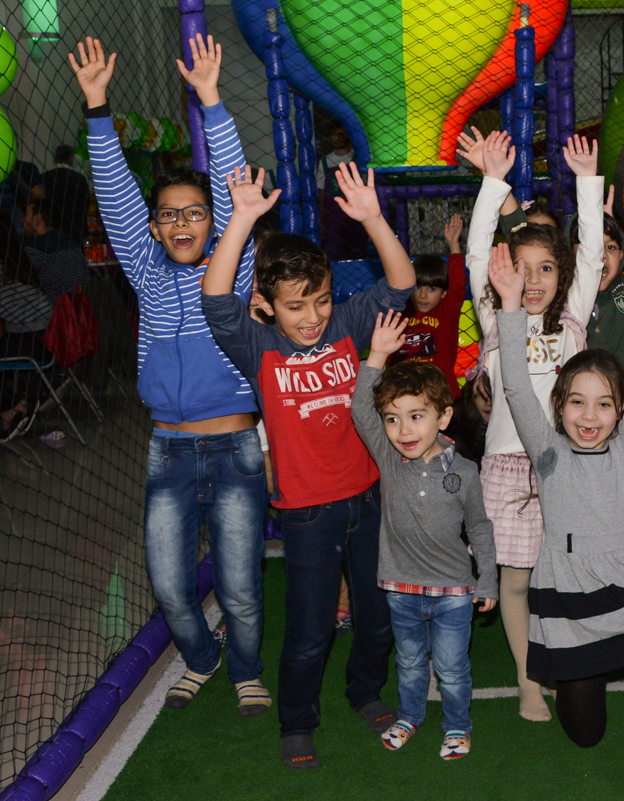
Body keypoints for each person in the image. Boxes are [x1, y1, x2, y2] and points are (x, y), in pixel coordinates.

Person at [71, 35, 271, 715]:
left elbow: (235, 185)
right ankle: (203, 656)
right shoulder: (147, 270)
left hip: (237, 447)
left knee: (241, 584)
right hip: (170, 448)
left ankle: (245, 665)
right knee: (168, 582)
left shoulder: (232, 267)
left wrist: (211, 98)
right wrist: (97, 105)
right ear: (154, 229)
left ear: (213, 224)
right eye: (168, 215)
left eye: (194, 212)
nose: (180, 221)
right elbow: (119, 193)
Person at [200, 162, 414, 768]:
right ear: (266, 307)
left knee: (376, 620)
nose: (312, 316)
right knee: (311, 630)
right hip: (307, 515)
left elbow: (399, 284)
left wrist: (373, 219)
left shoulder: (346, 325)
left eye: (319, 300)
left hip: (369, 500)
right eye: (296, 306)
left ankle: (365, 691)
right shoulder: (259, 345)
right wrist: (242, 218)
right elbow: (215, 299)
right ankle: (298, 720)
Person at [490, 239, 624, 796]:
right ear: (559, 406)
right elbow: (515, 382)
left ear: (620, 412)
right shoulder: (545, 448)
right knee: (586, 735)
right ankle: (581, 678)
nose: (590, 416)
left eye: (605, 403)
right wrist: (512, 307)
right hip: (570, 597)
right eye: (577, 402)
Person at [464, 130, 604, 722]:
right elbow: (476, 254)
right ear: (504, 274)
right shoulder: (497, 319)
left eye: (547, 267)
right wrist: (492, 182)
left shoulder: (572, 323)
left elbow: (594, 255)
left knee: (566, 580)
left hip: (568, 471)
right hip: (507, 471)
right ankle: (527, 681)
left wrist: (587, 186)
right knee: (516, 583)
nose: (536, 278)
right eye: (522, 268)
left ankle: (568, 663)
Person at [351, 328, 496, 762]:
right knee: (410, 664)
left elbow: (481, 527)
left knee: (452, 671)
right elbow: (361, 408)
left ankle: (457, 727)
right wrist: (377, 354)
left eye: (416, 416)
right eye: (393, 419)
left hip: (454, 593)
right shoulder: (389, 458)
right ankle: (410, 715)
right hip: (401, 589)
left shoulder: (466, 472)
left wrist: (486, 579)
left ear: (444, 418)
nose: (402, 429)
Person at [0, 209, 53, 441]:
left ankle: (15, 409)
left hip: (34, 339)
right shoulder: (9, 252)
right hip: (44, 333)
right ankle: (24, 402)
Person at [391, 213, 466, 395]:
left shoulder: (446, 311)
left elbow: (458, 285)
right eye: (418, 287)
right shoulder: (401, 315)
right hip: (406, 391)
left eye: (432, 289)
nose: (423, 295)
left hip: (441, 393)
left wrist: (454, 245)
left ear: (444, 294)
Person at [317, 126, 369, 262]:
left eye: (341, 133)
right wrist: (322, 221)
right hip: (333, 216)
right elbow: (321, 191)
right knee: (335, 254)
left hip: (355, 214)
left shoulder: (357, 159)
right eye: (334, 134)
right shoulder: (325, 162)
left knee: (357, 253)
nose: (338, 138)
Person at [23, 197, 88, 301]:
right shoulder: (70, 241)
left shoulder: (35, 249)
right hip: (82, 307)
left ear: (37, 219)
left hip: (57, 311)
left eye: (26, 214)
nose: (23, 220)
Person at [41, 144, 91, 241]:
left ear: (55, 159)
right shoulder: (79, 179)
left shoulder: (44, 177)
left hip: (51, 232)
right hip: (76, 231)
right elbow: (85, 204)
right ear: (71, 159)